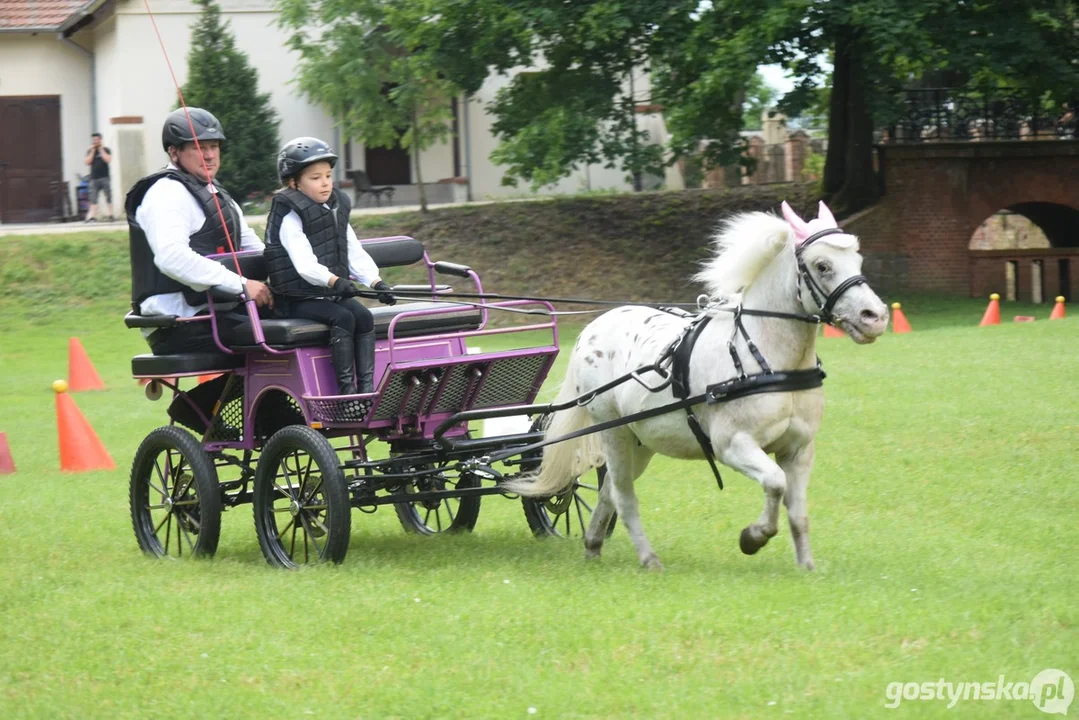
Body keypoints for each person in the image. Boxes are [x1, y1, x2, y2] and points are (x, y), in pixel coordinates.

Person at [126, 107, 273, 355]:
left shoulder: (216, 193)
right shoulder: (166, 194)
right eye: (198, 148)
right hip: (178, 321)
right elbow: (171, 257)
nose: (209, 156)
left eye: (214, 146)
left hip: (219, 309)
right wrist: (242, 284)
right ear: (174, 152)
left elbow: (255, 250)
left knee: (312, 312)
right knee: (280, 332)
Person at [264, 137, 395, 395]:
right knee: (344, 317)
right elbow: (304, 265)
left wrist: (376, 282)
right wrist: (335, 281)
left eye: (328, 175)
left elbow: (353, 251)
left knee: (364, 317)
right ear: (294, 183)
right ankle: (346, 394)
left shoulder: (334, 207)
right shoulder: (290, 215)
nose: (325, 183)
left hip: (327, 294)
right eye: (315, 177)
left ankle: (367, 392)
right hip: (296, 298)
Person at [84, 133, 114, 222]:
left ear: (100, 140)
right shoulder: (90, 151)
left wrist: (101, 149)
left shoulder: (106, 149)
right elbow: (87, 162)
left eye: (97, 140)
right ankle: (92, 216)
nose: (95, 141)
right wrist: (93, 151)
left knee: (108, 195)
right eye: (94, 140)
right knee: (93, 197)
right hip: (94, 178)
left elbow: (108, 160)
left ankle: (110, 214)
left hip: (105, 177)